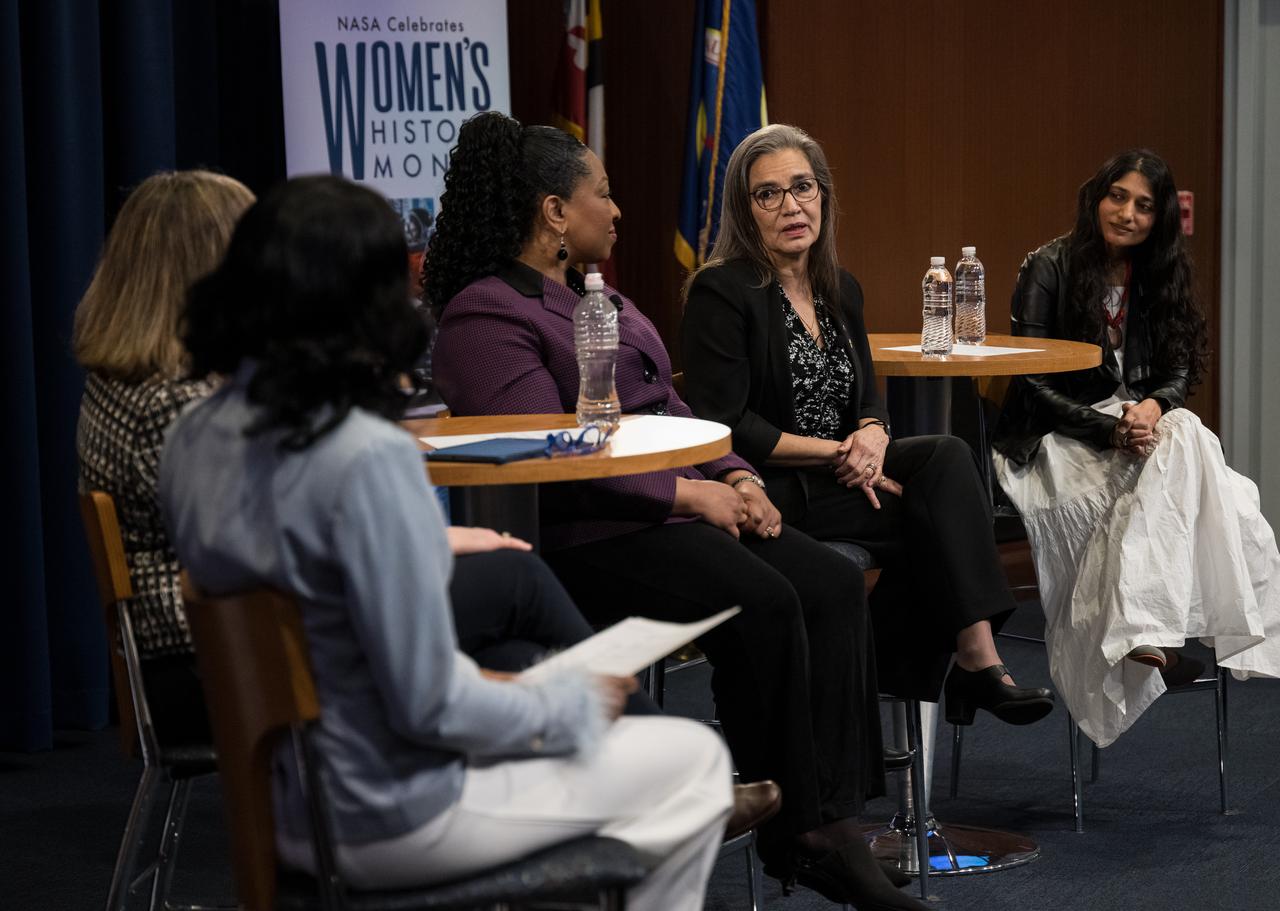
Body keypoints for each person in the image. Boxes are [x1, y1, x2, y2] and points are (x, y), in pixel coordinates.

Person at [160, 175, 733, 910]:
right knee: (696, 761)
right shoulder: (365, 455)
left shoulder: (194, 437)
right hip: (394, 811)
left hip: (288, 804)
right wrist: (572, 705)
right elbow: (430, 707)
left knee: (544, 690)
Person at [428, 111, 930, 911]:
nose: (618, 210)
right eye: (605, 193)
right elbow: (550, 454)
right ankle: (797, 828)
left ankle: (835, 818)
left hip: (678, 509)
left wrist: (738, 476)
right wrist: (686, 492)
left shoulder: (602, 297)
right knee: (764, 601)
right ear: (555, 210)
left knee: (829, 585)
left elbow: (671, 404)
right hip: (586, 533)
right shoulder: (487, 316)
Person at [680, 123, 1055, 724]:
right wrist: (841, 455)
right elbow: (724, 424)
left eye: (802, 187)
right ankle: (945, 667)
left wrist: (875, 434)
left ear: (823, 195)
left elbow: (868, 398)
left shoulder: (839, 289)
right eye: (768, 194)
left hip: (845, 478)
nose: (791, 206)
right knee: (938, 524)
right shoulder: (722, 292)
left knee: (947, 458)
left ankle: (974, 656)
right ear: (745, 213)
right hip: (770, 487)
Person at [992, 148, 1280, 747]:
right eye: (1117, 197)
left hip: (1136, 428)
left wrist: (1152, 408)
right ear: (1096, 198)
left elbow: (1176, 372)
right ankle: (1171, 630)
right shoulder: (1049, 265)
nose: (1126, 213)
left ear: (1161, 219)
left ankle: (1145, 625)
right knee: (1221, 488)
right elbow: (1032, 383)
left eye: (1144, 206)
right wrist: (1110, 429)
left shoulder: (1161, 274)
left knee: (1188, 434)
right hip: (1059, 433)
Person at [74, 170, 255, 745]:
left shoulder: (122, 378)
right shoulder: (179, 403)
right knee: (497, 596)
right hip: (203, 661)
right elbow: (244, 551)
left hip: (182, 649)